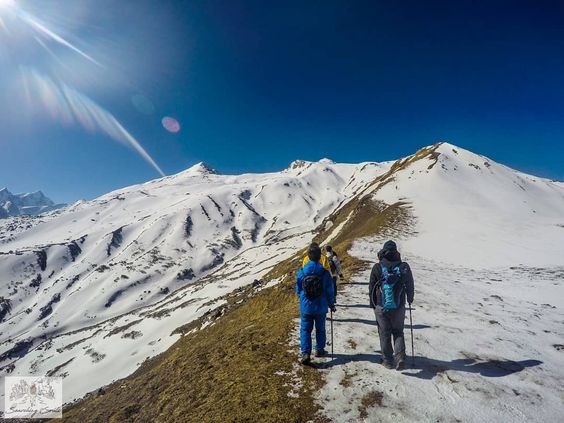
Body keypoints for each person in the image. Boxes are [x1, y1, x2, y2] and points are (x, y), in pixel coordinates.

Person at [369, 240, 414, 370]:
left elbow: (372, 286)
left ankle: (387, 360)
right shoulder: (403, 266)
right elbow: (409, 284)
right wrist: (410, 298)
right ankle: (400, 357)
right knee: (398, 331)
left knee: (384, 332)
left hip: (381, 305)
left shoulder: (378, 267)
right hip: (399, 305)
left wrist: (372, 304)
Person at [296, 243, 336, 364]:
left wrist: (302, 298)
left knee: (305, 330)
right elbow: (330, 290)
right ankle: (319, 350)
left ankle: (305, 353)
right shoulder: (324, 273)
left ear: (308, 256)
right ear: (320, 257)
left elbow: (298, 289)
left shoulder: (302, 272)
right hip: (321, 306)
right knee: (320, 329)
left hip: (306, 306)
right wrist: (331, 304)